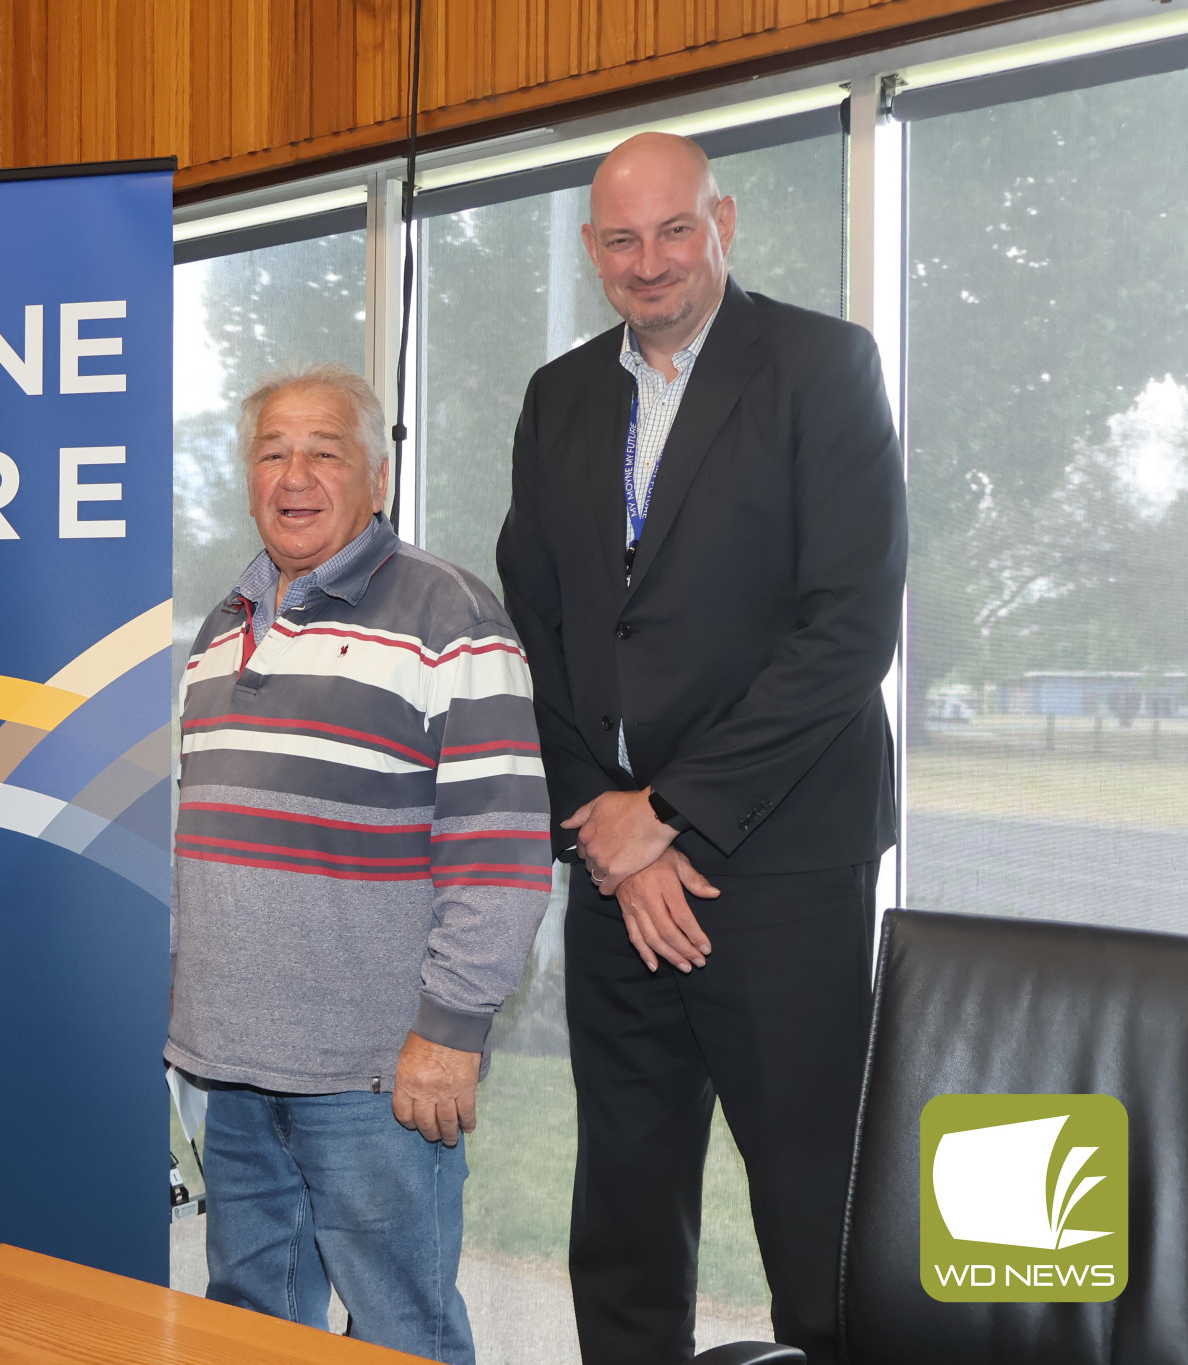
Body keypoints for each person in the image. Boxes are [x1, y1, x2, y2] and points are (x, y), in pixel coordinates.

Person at [496, 133, 907, 1362]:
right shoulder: (557, 396)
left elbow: (846, 628)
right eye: (619, 240)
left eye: (673, 229)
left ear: (720, 219)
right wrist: (610, 828)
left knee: (811, 1206)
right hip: (613, 865)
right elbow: (543, 627)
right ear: (589, 252)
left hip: (774, 864)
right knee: (621, 1199)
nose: (649, 261)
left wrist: (664, 811)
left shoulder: (821, 366)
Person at [167, 363, 551, 1365]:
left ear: (374, 478)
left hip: (376, 1078)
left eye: (323, 451)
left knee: (397, 1334)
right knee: (248, 1328)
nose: (294, 473)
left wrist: (449, 1033)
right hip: (233, 1072)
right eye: (271, 452)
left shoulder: (450, 616)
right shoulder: (219, 630)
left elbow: (502, 851)